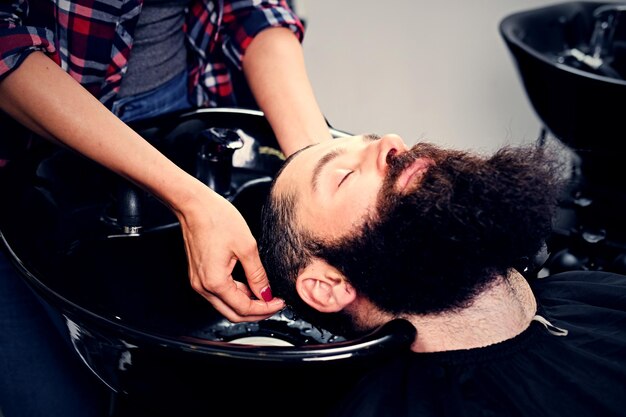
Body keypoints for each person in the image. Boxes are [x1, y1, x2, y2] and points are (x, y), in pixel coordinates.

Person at [0, 1, 331, 416]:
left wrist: (315, 163)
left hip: (178, 113)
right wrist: (190, 200)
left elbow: (251, 8)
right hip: (28, 141)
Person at [259, 133, 626, 416]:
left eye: (375, 140)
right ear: (329, 287)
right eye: (344, 175)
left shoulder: (602, 293)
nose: (392, 142)